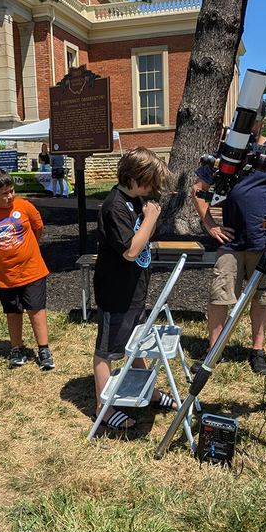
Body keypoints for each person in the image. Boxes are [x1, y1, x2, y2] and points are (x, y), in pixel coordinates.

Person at [192, 124, 266, 376]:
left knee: (262, 298)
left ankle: (258, 351)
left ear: (263, 120)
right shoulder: (227, 151)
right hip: (231, 242)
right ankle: (214, 349)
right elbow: (198, 189)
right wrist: (210, 225)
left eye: (253, 120)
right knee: (219, 296)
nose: (247, 126)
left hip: (265, 242)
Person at [92, 147, 176, 431]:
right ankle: (103, 407)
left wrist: (147, 215)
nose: (153, 188)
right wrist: (151, 217)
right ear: (134, 177)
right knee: (107, 351)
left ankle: (148, 391)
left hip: (134, 289)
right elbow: (130, 250)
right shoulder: (115, 206)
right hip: (116, 293)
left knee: (138, 342)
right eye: (150, 181)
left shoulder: (133, 201)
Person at [0, 168, 54, 370]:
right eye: (4, 194)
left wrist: (28, 249)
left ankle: (43, 349)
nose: (10, 196)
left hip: (32, 270)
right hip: (6, 275)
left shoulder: (24, 206)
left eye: (11, 191)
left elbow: (38, 229)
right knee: (13, 312)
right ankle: (16, 348)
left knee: (36, 310)